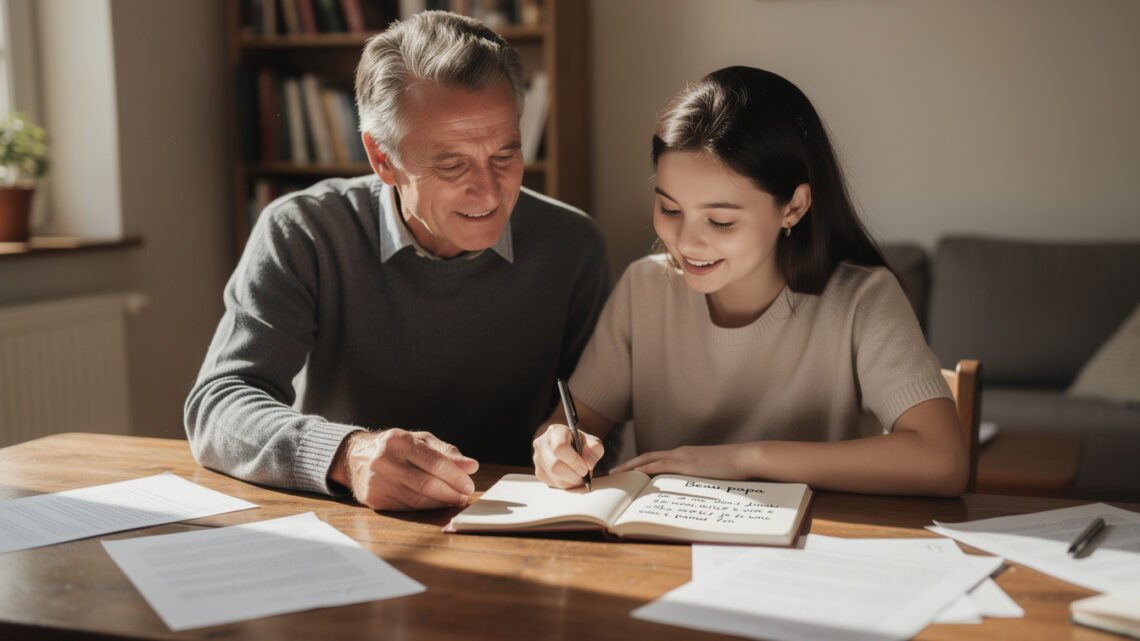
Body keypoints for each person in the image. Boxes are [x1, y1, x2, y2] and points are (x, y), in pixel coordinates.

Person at [185, 11, 613, 511]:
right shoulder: (303, 230)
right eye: (453, 163)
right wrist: (348, 454)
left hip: (519, 523)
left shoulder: (574, 246)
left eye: (505, 155)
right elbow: (218, 404)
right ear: (382, 158)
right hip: (347, 521)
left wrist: (568, 441)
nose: (491, 191)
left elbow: (591, 414)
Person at [532, 66, 967, 497]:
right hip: (665, 551)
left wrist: (743, 460)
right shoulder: (643, 289)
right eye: (669, 209)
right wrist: (556, 445)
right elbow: (576, 422)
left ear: (794, 207)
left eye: (720, 221)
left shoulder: (863, 301)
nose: (685, 242)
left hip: (820, 548)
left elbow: (943, 459)